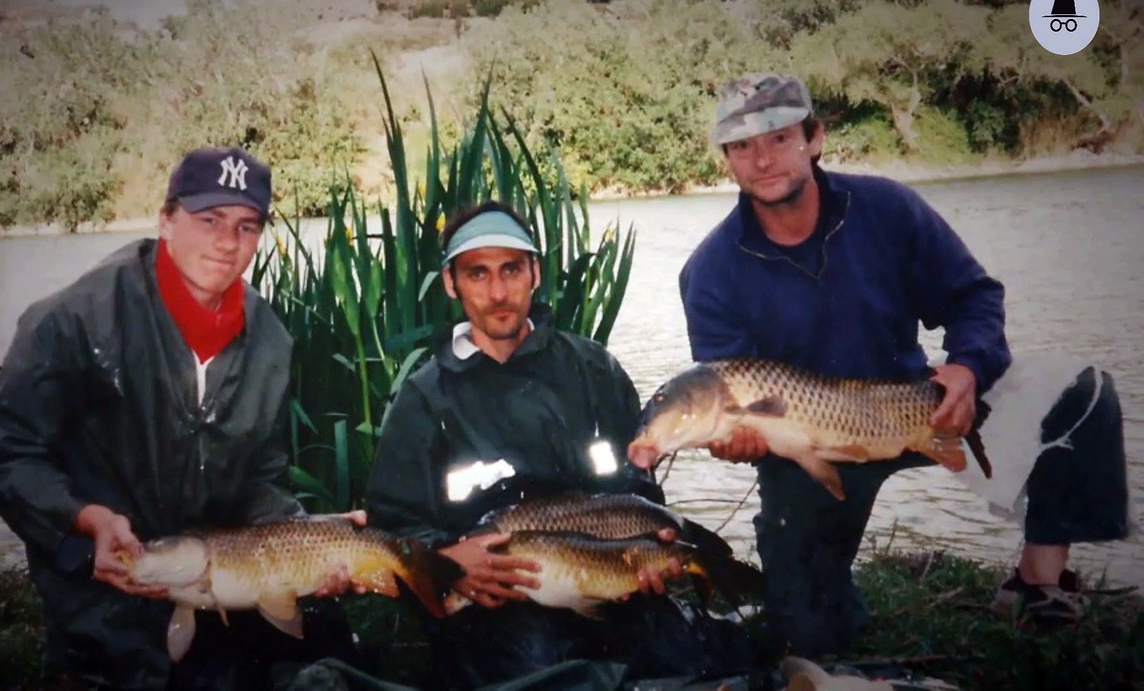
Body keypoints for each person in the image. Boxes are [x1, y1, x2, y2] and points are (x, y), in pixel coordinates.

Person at [628, 73, 1130, 655]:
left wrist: (966, 368)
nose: (761, 160)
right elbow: (724, 387)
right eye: (742, 147)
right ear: (727, 161)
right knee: (809, 634)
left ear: (814, 138)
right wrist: (742, 444)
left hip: (923, 407)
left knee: (1081, 392)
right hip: (807, 451)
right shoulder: (711, 272)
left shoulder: (887, 209)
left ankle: (1039, 582)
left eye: (778, 138)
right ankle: (824, 597)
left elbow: (974, 297)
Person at [0, 146, 365, 690]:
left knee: (324, 655)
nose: (228, 243)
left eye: (247, 227)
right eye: (209, 220)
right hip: (104, 587)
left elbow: (260, 477)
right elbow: (8, 460)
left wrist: (307, 538)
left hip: (218, 577)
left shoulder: (270, 339)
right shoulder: (74, 320)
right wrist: (82, 520)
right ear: (166, 219)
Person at [365, 200, 751, 689]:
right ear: (451, 283)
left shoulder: (594, 369)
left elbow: (638, 486)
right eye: (477, 274)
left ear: (535, 273)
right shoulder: (423, 397)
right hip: (496, 600)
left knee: (682, 662)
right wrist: (447, 560)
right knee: (538, 670)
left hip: (607, 577)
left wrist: (651, 554)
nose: (498, 291)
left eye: (511, 269)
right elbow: (392, 524)